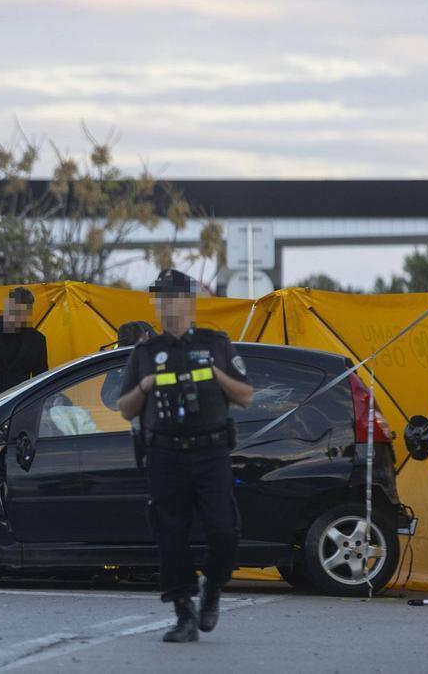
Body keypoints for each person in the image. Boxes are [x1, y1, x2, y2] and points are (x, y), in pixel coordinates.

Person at [116, 269, 253, 643]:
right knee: (170, 535)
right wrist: (144, 386)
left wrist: (213, 374)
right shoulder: (145, 353)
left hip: (211, 453)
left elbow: (245, 396)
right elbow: (126, 409)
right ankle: (183, 613)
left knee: (224, 530)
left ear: (188, 301)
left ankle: (212, 587)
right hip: (164, 455)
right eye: (160, 297)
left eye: (173, 296)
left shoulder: (216, 344)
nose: (166, 304)